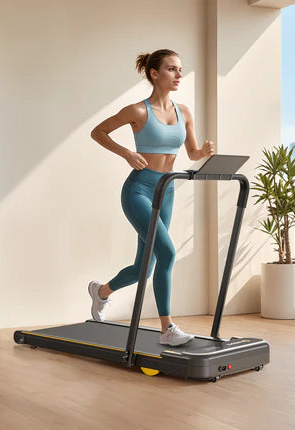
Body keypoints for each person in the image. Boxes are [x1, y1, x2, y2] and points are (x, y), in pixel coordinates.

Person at [89, 49, 214, 346]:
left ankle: (101, 292)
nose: (179, 75)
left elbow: (192, 153)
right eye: (172, 69)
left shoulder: (184, 112)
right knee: (167, 253)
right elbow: (99, 132)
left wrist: (204, 153)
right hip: (139, 191)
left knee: (144, 268)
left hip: (166, 189)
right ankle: (167, 329)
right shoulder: (138, 111)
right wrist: (128, 153)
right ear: (154, 74)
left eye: (180, 69)